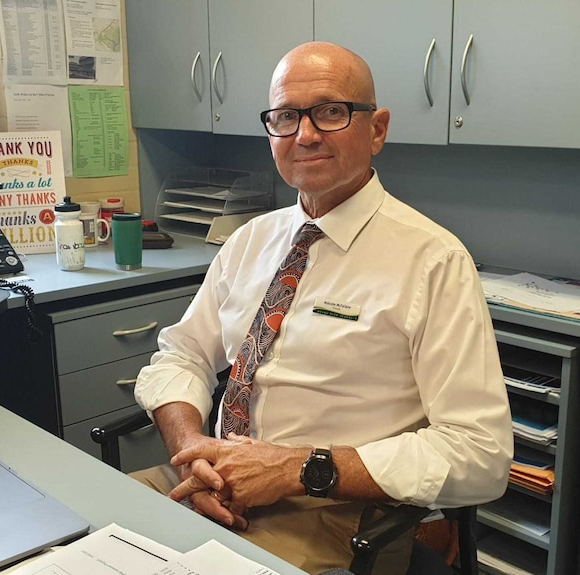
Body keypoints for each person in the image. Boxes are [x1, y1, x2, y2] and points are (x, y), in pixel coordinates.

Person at [133, 41, 513, 575]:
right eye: (285, 117)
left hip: (334, 513)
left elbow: (481, 455)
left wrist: (297, 470)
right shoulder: (249, 240)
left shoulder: (433, 261)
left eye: (330, 112)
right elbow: (181, 354)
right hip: (210, 481)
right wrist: (194, 448)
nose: (305, 135)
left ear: (376, 129)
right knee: (73, 536)